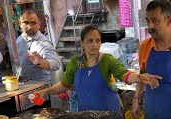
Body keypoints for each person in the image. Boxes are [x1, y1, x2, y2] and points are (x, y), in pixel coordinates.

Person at [34, 25, 162, 114]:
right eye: (90, 41)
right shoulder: (75, 62)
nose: (94, 45)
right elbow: (64, 85)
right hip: (87, 117)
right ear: (82, 43)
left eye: (97, 41)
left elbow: (124, 75)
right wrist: (46, 91)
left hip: (111, 115)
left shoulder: (107, 60)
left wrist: (139, 77)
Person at [16, 9, 60, 81]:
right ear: (20, 23)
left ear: (39, 24)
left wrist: (40, 61)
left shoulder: (44, 43)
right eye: (26, 23)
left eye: (33, 23)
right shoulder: (19, 39)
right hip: (23, 85)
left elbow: (56, 64)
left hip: (40, 86)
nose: (30, 27)